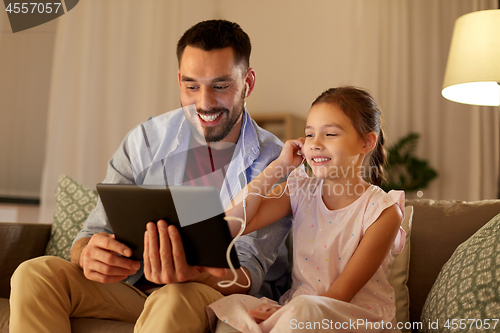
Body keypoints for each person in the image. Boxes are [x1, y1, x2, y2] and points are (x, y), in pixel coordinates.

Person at [9, 20, 292, 333]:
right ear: (179, 80)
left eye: (221, 86)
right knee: (34, 273)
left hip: (210, 293)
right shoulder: (145, 140)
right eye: (192, 86)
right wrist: (87, 253)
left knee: (174, 296)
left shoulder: (275, 161)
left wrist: (195, 273)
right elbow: (92, 231)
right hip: (133, 289)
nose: (204, 103)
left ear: (247, 83)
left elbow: (250, 271)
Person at [207, 86, 406, 332]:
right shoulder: (301, 190)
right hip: (298, 313)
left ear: (366, 142)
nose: (315, 144)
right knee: (233, 304)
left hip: (352, 318)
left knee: (303, 311)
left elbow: (341, 293)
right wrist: (278, 167)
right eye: (309, 135)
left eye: (330, 134)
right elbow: (232, 224)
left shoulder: (383, 211)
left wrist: (283, 314)